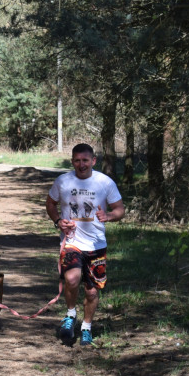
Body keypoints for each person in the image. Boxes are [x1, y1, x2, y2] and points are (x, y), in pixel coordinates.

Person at [45, 143, 125, 347]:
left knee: (91, 291)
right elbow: (50, 203)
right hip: (71, 242)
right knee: (71, 279)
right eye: (77, 160)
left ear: (93, 161)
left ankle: (87, 327)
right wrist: (57, 221)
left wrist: (108, 215)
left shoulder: (104, 182)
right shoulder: (63, 181)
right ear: (72, 161)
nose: (81, 164)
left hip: (96, 245)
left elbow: (119, 210)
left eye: (85, 160)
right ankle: (70, 315)